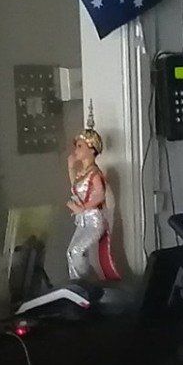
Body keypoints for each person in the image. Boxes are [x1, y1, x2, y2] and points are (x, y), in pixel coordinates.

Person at [65, 118, 116, 284]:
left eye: (80, 146)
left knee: (77, 251)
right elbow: (75, 187)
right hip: (83, 221)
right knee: (71, 252)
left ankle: (87, 284)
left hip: (93, 220)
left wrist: (83, 208)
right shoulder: (83, 173)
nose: (76, 150)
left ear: (91, 149)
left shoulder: (94, 173)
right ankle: (78, 285)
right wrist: (70, 168)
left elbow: (100, 195)